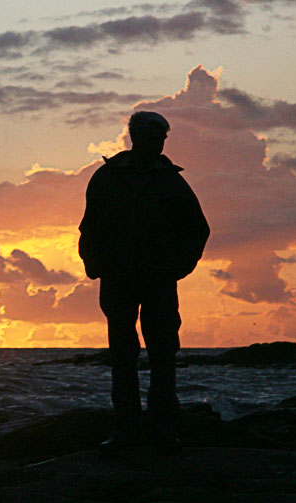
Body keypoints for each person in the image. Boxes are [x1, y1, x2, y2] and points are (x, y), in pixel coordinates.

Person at [79, 111, 209, 454]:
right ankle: (126, 430)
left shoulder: (170, 180)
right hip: (117, 279)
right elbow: (88, 227)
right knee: (122, 356)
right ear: (135, 137)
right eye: (152, 138)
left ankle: (164, 429)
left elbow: (198, 229)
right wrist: (94, 264)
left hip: (159, 281)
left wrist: (178, 268)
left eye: (162, 138)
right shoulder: (106, 177)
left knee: (163, 354)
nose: (158, 144)